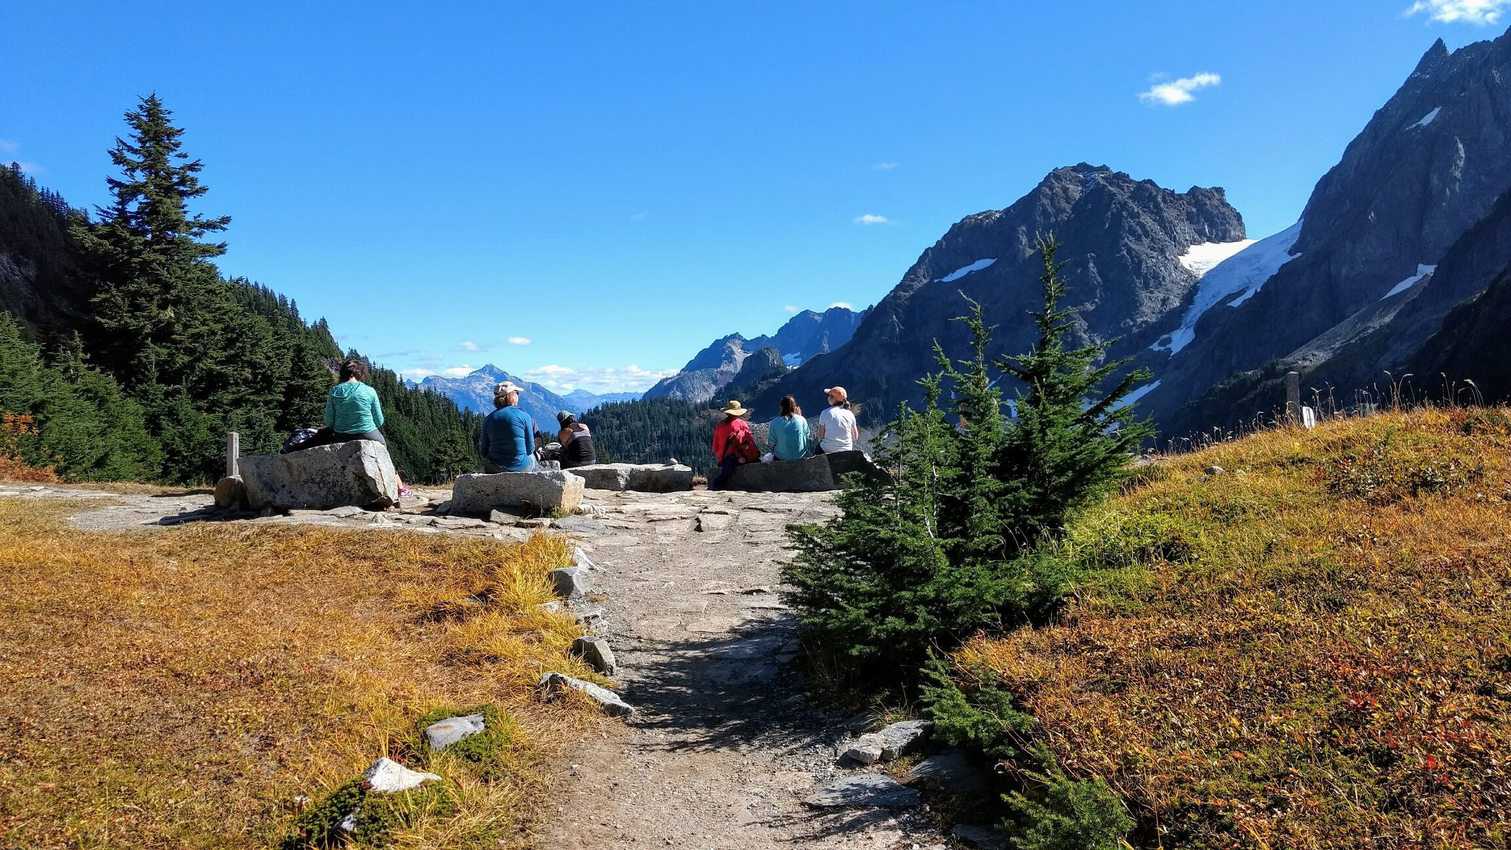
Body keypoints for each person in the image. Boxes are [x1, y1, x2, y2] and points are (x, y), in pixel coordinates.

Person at [479, 381, 537, 473]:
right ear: (512, 396)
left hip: (495, 468)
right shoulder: (525, 416)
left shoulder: (488, 419)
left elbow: (483, 452)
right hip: (521, 467)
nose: (518, 396)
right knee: (532, 457)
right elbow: (530, 449)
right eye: (517, 393)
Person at [323, 359, 386, 444]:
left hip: (341, 436)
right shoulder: (370, 391)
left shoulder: (334, 391)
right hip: (367, 433)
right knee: (382, 443)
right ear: (359, 373)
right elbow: (379, 421)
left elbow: (329, 421)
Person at [710, 399, 758, 490]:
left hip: (723, 459)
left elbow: (715, 447)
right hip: (737, 457)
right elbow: (750, 442)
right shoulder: (742, 424)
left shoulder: (720, 426)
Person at [815, 386, 859, 454]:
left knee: (817, 448)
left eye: (829, 396)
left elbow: (821, 435)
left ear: (833, 399)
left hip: (827, 450)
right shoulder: (850, 414)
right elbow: (855, 437)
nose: (828, 397)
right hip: (847, 450)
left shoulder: (825, 413)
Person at [767, 395, 810, 461]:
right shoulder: (802, 420)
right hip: (800, 456)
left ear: (781, 407)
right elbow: (807, 437)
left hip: (781, 458)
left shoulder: (774, 423)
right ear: (794, 407)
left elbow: (771, 443)